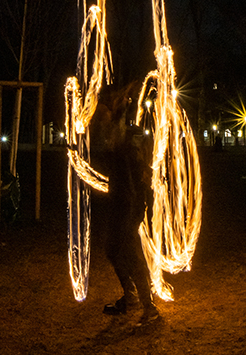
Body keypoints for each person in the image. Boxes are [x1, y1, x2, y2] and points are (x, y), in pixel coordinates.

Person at [98, 87, 159, 323]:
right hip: (121, 201)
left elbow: (137, 169)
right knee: (114, 250)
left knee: (128, 252)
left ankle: (147, 305)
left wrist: (133, 205)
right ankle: (133, 297)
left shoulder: (130, 137)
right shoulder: (119, 136)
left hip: (129, 203)